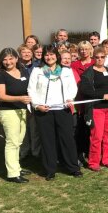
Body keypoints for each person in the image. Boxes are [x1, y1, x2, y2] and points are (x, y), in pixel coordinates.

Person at [27, 46, 82, 180]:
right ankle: (50, 170)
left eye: (52, 55)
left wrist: (70, 98)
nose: (49, 57)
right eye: (46, 55)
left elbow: (72, 88)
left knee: (67, 139)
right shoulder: (37, 71)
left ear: (57, 56)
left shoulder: (66, 70)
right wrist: (37, 105)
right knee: (47, 141)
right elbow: (31, 90)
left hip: (62, 109)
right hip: (44, 111)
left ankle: (72, 167)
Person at [0, 48, 32, 183]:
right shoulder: (0, 75)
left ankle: (17, 167)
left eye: (10, 58)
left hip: (22, 110)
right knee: (12, 142)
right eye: (4, 59)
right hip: (8, 111)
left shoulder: (23, 71)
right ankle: (13, 173)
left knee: (19, 140)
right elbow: (2, 96)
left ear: (16, 58)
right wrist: (20, 98)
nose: (8, 62)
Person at [79, 47, 108, 172]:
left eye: (102, 57)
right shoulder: (88, 73)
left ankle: (106, 159)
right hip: (97, 108)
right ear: (93, 57)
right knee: (97, 136)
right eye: (97, 57)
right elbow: (85, 90)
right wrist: (101, 96)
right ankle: (93, 162)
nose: (100, 59)